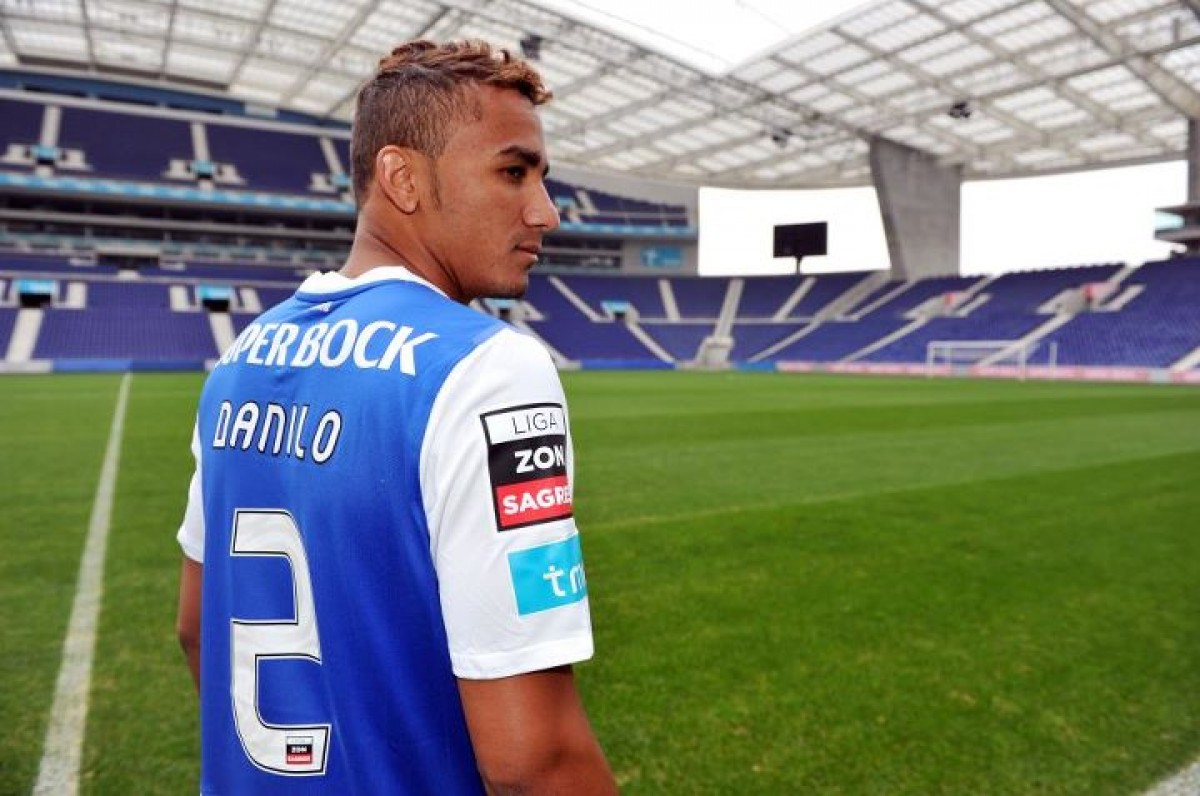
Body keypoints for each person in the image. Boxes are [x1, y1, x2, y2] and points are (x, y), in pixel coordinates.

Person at [175, 39, 617, 795]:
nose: (545, 212)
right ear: (402, 177)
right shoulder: (487, 370)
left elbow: (196, 630)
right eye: (514, 172)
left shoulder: (240, 359)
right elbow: (530, 759)